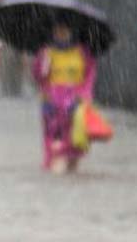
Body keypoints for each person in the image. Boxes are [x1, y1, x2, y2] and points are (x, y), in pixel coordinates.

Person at [31, 20, 97, 174]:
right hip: (52, 101)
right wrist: (44, 62)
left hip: (75, 101)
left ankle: (70, 169)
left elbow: (89, 77)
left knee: (75, 141)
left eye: (65, 30)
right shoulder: (46, 52)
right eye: (57, 30)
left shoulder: (83, 52)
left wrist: (83, 95)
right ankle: (55, 170)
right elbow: (39, 76)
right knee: (54, 141)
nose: (61, 33)